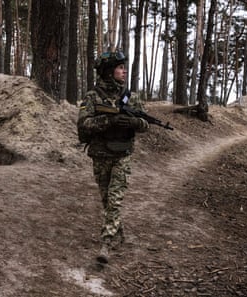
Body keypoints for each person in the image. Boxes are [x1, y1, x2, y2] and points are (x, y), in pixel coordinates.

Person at [77, 51, 149, 264]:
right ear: (109, 72)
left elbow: (145, 124)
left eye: (124, 67)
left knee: (115, 200)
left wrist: (135, 123)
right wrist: (109, 121)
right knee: (107, 199)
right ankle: (118, 231)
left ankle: (106, 243)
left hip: (123, 155)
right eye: (119, 68)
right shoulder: (92, 96)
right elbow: (84, 124)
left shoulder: (131, 97)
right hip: (101, 155)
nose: (124, 71)